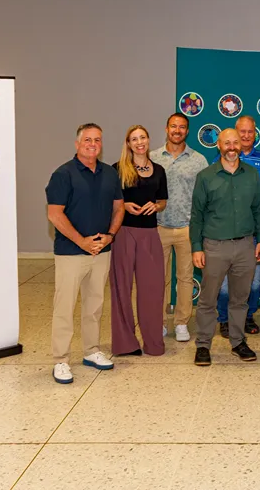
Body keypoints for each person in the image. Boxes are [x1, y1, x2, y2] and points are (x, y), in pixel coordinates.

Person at [45, 123, 125, 384]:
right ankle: (61, 360)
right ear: (77, 144)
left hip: (101, 251)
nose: (93, 144)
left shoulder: (110, 174)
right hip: (71, 252)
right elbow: (54, 214)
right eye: (88, 139)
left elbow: (119, 207)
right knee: (64, 308)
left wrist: (110, 236)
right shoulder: (63, 174)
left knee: (94, 305)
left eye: (98, 140)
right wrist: (81, 241)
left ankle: (91, 351)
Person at [190, 129, 260, 366]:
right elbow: (197, 215)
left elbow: (257, 210)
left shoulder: (252, 174)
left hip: (245, 246)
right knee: (208, 299)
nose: (232, 147)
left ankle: (237, 341)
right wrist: (196, 247)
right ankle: (203, 344)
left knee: (240, 299)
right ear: (219, 146)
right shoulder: (206, 176)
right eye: (227, 143)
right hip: (214, 246)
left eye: (235, 143)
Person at [110, 125, 168, 357]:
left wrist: (156, 206)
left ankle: (153, 343)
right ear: (128, 144)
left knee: (152, 290)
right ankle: (126, 344)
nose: (139, 142)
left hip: (150, 234)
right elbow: (112, 201)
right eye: (134, 139)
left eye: (142, 137)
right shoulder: (118, 169)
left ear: (148, 139)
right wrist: (124, 205)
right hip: (124, 233)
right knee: (121, 288)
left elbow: (163, 200)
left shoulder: (159, 170)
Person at [214, 116, 260, 337]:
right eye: (242, 131)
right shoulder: (219, 160)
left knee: (255, 281)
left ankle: (248, 316)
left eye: (250, 132)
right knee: (225, 283)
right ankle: (224, 319)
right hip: (226, 231)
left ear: (255, 133)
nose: (246, 135)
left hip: (254, 229)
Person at [150, 113, 208, 342]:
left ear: (187, 131)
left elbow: (203, 197)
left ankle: (182, 322)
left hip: (187, 228)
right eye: (173, 126)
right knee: (159, 278)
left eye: (182, 127)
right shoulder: (153, 157)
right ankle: (160, 321)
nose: (177, 130)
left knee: (185, 278)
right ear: (166, 129)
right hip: (159, 226)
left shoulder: (198, 160)